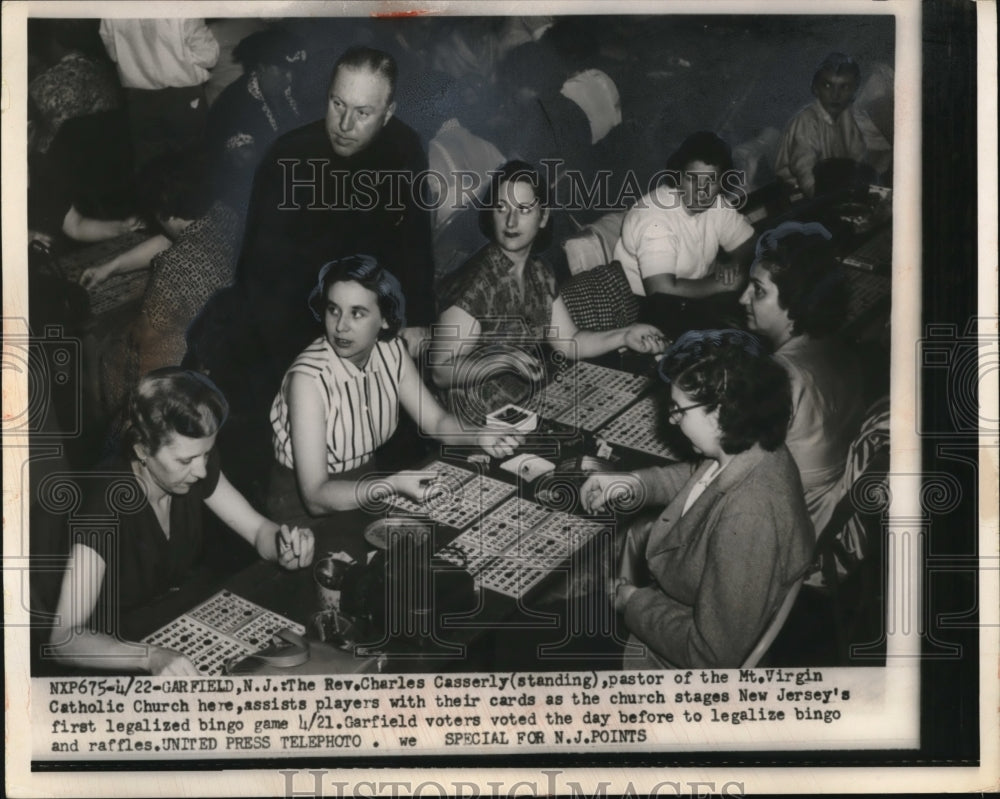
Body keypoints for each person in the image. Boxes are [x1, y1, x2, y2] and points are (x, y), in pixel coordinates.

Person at [48, 369, 315, 676]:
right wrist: (150, 657)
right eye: (186, 461)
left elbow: (257, 531)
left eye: (206, 453)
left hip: (171, 618)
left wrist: (284, 546)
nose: (202, 470)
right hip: (113, 649)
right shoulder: (102, 504)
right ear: (142, 451)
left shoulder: (193, 467)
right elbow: (64, 638)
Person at [580, 330, 814, 668]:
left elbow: (711, 656)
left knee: (532, 641)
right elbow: (702, 481)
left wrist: (634, 602)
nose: (672, 421)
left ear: (718, 415)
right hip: (680, 608)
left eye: (678, 410)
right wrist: (632, 483)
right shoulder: (757, 445)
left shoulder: (750, 517)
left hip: (668, 665)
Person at [268, 256, 522, 555]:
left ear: (385, 319)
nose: (340, 326)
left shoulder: (390, 351)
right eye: (333, 310)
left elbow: (436, 422)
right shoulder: (308, 380)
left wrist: (479, 434)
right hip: (303, 517)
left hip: (367, 486)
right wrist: (391, 484)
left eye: (357, 313)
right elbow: (315, 496)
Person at [235, 45, 435, 389]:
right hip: (298, 321)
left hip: (376, 313)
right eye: (337, 104)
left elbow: (416, 239)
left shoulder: (405, 146)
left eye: (363, 113)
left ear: (388, 113)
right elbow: (260, 275)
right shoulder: (288, 157)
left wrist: (418, 317)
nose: (344, 125)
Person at [432, 160, 666, 423]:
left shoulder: (539, 272)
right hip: (474, 422)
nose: (511, 220)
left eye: (523, 209)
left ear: (543, 217)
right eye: (501, 208)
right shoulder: (475, 283)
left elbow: (568, 342)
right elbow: (441, 370)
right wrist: (502, 358)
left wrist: (625, 335)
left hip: (522, 404)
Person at [84, 150, 242, 419]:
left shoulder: (173, 268)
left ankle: (107, 426)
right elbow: (172, 239)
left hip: (199, 371)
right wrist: (110, 267)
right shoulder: (225, 215)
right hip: (235, 348)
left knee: (102, 349)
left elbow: (148, 340)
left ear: (164, 213)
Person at [739, 221, 865, 534]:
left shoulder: (778, 374)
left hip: (786, 526)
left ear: (795, 303)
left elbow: (734, 469)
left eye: (758, 291)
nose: (743, 299)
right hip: (828, 514)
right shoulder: (840, 348)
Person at [612, 131, 755, 332]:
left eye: (711, 182)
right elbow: (661, 290)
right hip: (641, 311)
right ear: (678, 178)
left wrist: (731, 262)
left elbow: (749, 241)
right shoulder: (655, 218)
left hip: (692, 298)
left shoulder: (716, 205)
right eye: (692, 179)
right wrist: (722, 284)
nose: (701, 191)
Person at [206, 27, 308, 217]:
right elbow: (246, 168)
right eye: (283, 72)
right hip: (246, 197)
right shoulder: (234, 105)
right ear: (261, 68)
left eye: (294, 72)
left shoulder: (292, 90)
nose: (290, 79)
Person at [98, 18, 219, 169]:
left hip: (140, 99)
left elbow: (114, 53)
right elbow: (209, 57)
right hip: (183, 98)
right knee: (192, 167)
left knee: (150, 171)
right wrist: (178, 58)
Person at [774, 52, 868, 198]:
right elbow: (806, 175)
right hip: (798, 197)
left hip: (832, 191)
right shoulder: (807, 122)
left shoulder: (846, 117)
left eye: (844, 87)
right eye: (827, 85)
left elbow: (857, 160)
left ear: (854, 92)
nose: (835, 95)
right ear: (815, 88)